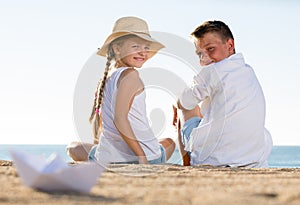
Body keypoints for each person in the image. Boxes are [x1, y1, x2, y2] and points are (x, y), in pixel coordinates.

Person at [67, 16, 175, 164]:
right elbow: (120, 119)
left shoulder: (107, 77)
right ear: (117, 49)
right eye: (136, 46)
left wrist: (100, 145)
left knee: (72, 148)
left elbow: (102, 120)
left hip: (109, 158)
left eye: (146, 48)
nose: (143, 52)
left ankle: (105, 150)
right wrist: (142, 157)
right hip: (143, 156)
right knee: (169, 143)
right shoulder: (131, 75)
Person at [174, 20, 273, 168]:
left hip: (214, 160)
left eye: (210, 49)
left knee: (186, 107)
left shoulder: (214, 71)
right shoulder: (247, 71)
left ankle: (187, 163)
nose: (204, 59)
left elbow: (184, 102)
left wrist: (176, 104)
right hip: (253, 159)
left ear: (230, 45)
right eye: (200, 54)